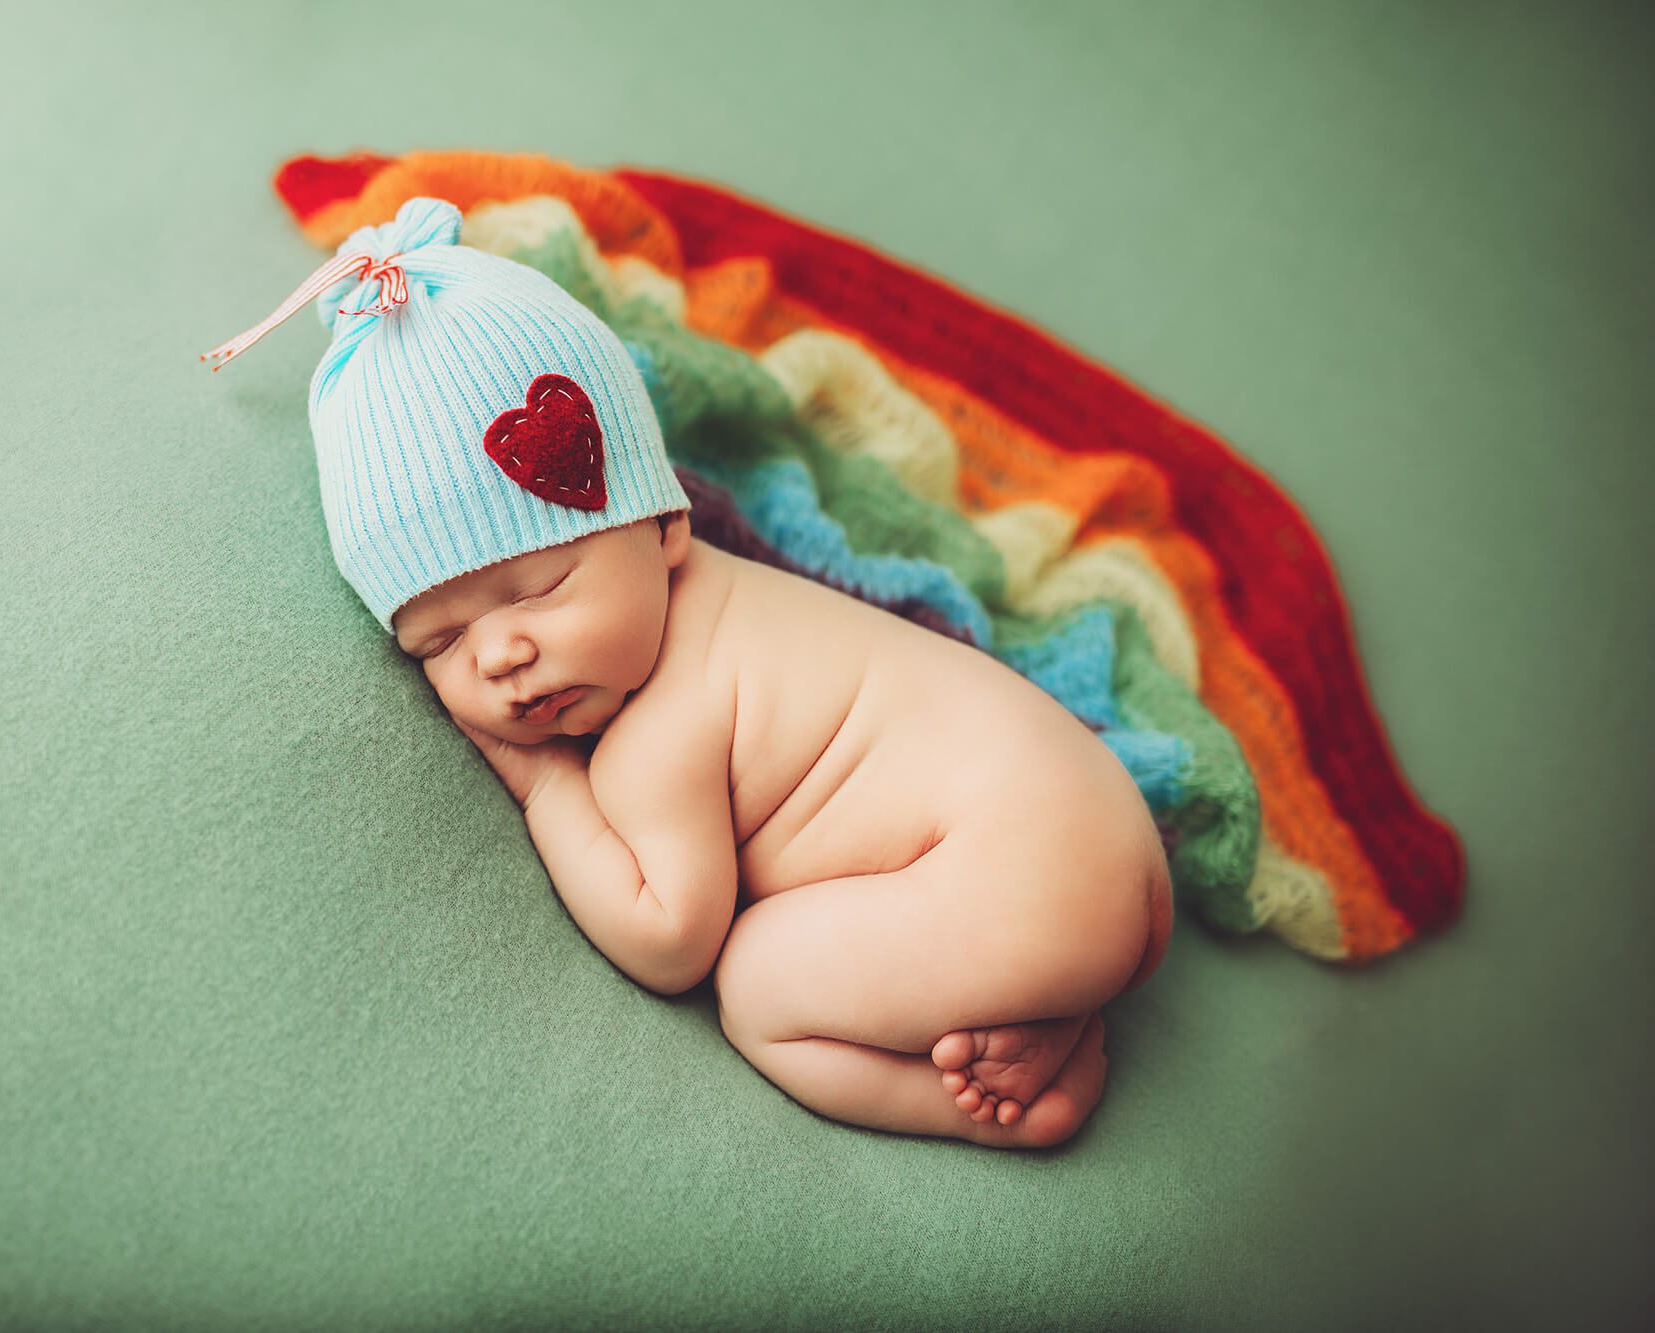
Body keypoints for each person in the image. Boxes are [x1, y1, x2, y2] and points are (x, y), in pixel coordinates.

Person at [203, 196, 1172, 1149]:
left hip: (1025, 871)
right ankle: (1046, 1004)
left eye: (537, 588)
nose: (498, 652)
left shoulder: (655, 734)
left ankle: (1018, 1097)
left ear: (669, 524)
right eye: (438, 645)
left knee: (753, 988)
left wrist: (547, 787)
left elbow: (667, 939)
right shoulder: (733, 597)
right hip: (1091, 816)